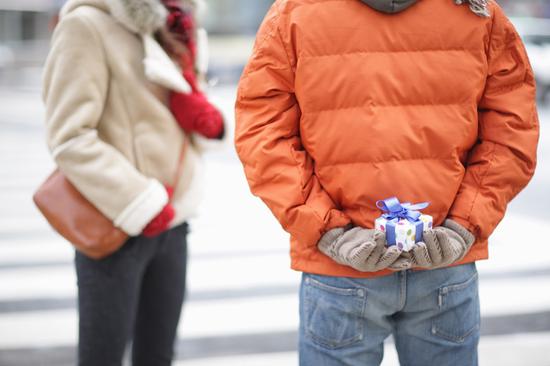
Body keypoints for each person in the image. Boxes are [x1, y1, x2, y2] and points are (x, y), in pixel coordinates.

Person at [235, 0, 539, 365]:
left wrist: (327, 230)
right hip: (442, 253)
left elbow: (263, 133)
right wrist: (463, 225)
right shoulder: (476, 11)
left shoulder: (295, 12)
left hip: (341, 263)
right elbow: (512, 129)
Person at [42, 0, 224, 365]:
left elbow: (176, 112)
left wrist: (202, 116)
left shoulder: (177, 21)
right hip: (118, 219)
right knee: (102, 356)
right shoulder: (87, 24)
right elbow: (69, 136)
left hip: (174, 221)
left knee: (158, 355)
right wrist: (139, 202)